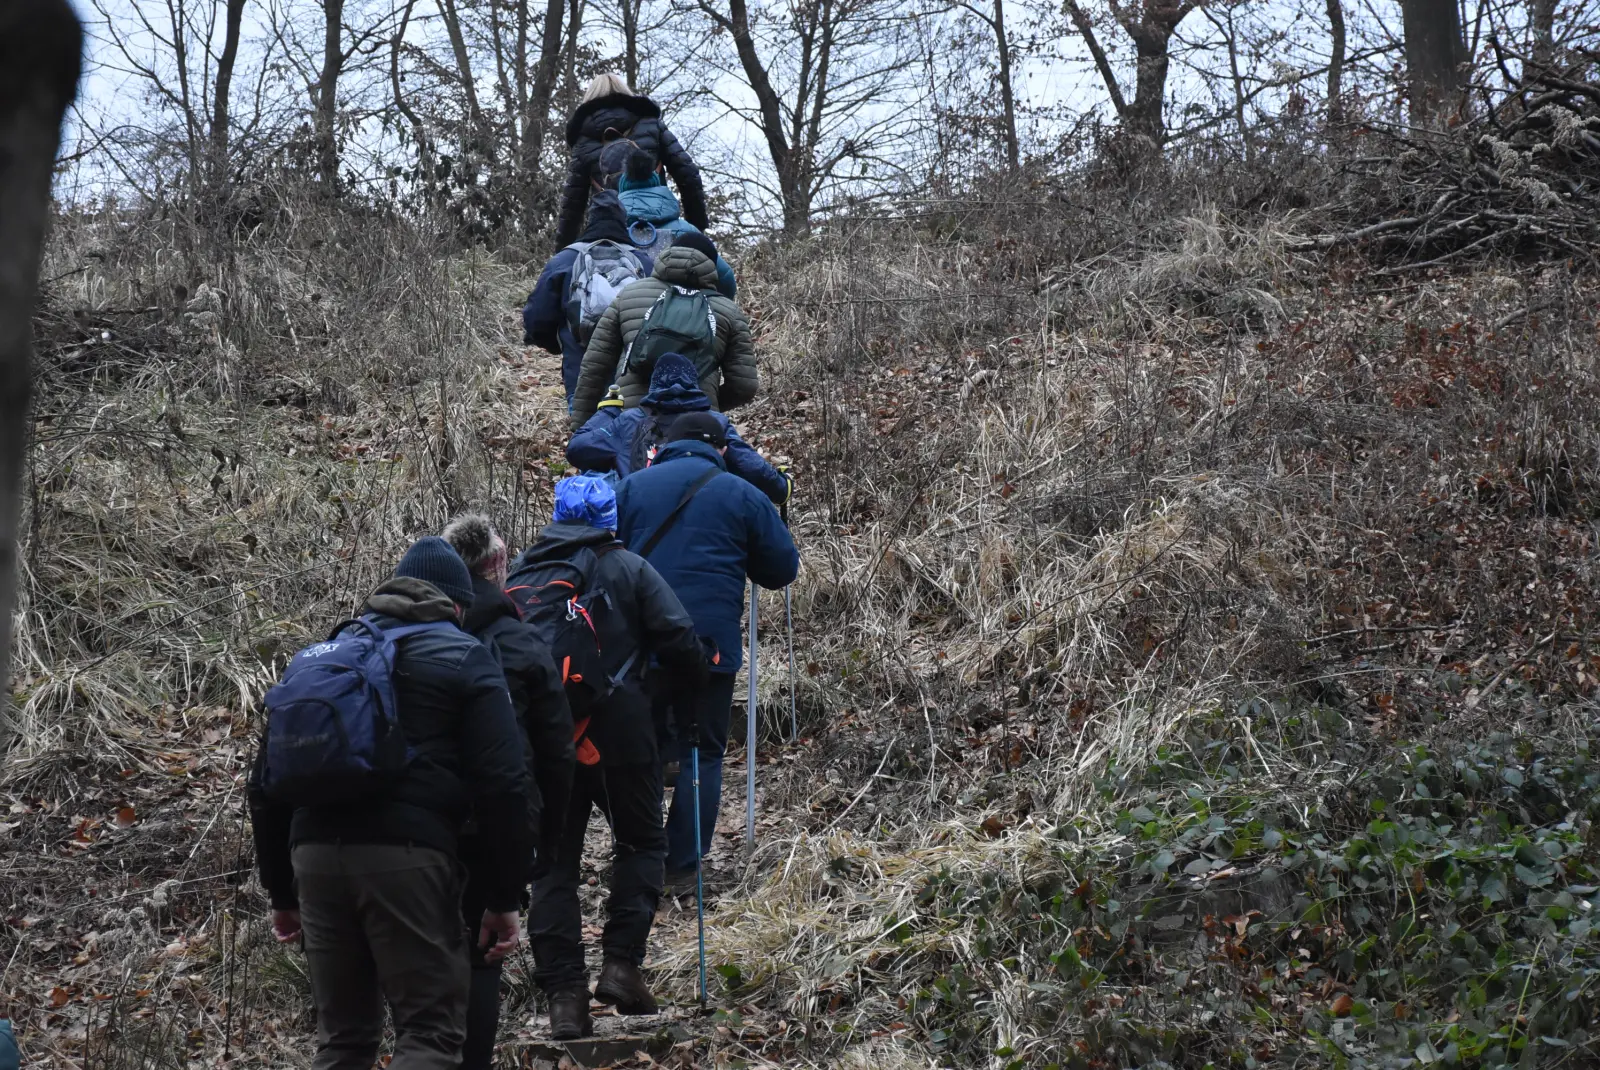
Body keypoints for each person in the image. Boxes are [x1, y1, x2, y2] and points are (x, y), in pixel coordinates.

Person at [248, 538, 532, 1070]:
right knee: (428, 1034)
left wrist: (281, 891)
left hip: (315, 860)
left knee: (343, 1040)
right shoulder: (466, 655)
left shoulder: (321, 656)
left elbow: (264, 786)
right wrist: (503, 896)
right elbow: (504, 784)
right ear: (458, 605)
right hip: (408, 859)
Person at [511, 476, 707, 1040]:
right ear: (609, 516)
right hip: (621, 729)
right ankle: (621, 966)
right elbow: (679, 639)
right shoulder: (627, 566)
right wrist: (674, 697)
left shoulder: (524, 571)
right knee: (642, 842)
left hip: (547, 738)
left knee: (553, 864)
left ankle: (564, 999)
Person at [614, 413, 799, 892]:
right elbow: (781, 571)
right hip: (710, 649)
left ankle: (639, 857)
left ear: (667, 446)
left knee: (642, 750)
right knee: (705, 753)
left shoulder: (631, 489)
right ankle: (682, 865)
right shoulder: (742, 494)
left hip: (641, 645)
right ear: (720, 449)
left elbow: (606, 556)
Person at [441, 514, 576, 1070]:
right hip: (497, 822)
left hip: (416, 824)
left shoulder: (411, 635)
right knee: (481, 958)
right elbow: (557, 750)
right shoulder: (519, 639)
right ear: (498, 567)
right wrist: (545, 840)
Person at [571, 232, 758, 426]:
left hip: (631, 419)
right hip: (696, 423)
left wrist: (580, 425)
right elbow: (744, 386)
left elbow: (595, 366)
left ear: (668, 254)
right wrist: (712, 403)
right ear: (711, 265)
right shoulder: (729, 311)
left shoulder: (629, 294)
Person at [567, 352, 789, 505]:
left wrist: (607, 411)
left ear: (653, 386)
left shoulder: (630, 420)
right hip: (701, 518)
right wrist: (781, 487)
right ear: (694, 384)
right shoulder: (713, 423)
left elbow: (577, 449)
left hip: (638, 520)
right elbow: (749, 464)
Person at [524, 190, 653, 406]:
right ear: (623, 221)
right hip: (633, 379)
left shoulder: (564, 260)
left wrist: (559, 344)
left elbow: (537, 318)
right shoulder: (644, 263)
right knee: (631, 432)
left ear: (590, 220)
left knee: (586, 432)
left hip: (581, 374)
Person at [557, 74, 708, 249]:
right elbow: (689, 174)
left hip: (611, 233)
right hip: (660, 225)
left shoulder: (582, 143)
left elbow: (571, 207)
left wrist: (563, 253)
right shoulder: (652, 125)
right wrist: (696, 227)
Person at [618, 148, 736, 299]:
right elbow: (725, 278)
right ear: (657, 186)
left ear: (621, 189)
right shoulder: (685, 230)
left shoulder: (610, 234)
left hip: (622, 318)